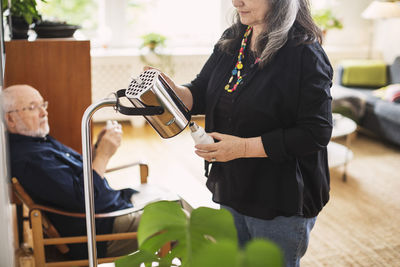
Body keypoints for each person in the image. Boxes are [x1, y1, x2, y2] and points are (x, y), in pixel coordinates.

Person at [150, 0, 333, 266]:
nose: (237, 2)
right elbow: (202, 91)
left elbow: (315, 132)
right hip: (234, 185)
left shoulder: (304, 53)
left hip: (280, 197)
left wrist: (243, 148)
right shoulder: (234, 39)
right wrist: (173, 92)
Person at [2, 84, 141, 260]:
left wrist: (98, 149)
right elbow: (85, 199)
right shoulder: (28, 159)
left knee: (174, 207)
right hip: (102, 231)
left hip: (111, 209)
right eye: (32, 108)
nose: (44, 113)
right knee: (178, 220)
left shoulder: (34, 140)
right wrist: (104, 155)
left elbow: (76, 177)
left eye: (42, 105)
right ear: (11, 120)